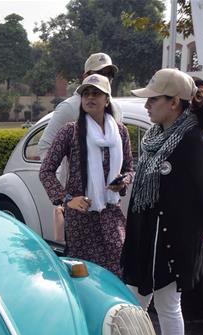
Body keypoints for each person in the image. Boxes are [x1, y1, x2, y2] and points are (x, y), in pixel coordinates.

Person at [120, 69, 203, 335]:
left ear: (174, 102)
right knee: (134, 300)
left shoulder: (194, 145)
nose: (147, 105)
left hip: (168, 242)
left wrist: (195, 232)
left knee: (166, 304)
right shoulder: (154, 140)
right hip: (144, 237)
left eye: (154, 99)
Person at [39, 74, 134, 277]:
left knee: (117, 272)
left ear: (107, 100)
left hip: (111, 215)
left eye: (96, 93)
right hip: (81, 220)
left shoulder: (120, 132)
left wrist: (122, 182)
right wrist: (67, 200)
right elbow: (46, 171)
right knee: (85, 276)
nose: (90, 98)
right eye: (86, 94)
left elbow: (129, 169)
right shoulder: (70, 132)